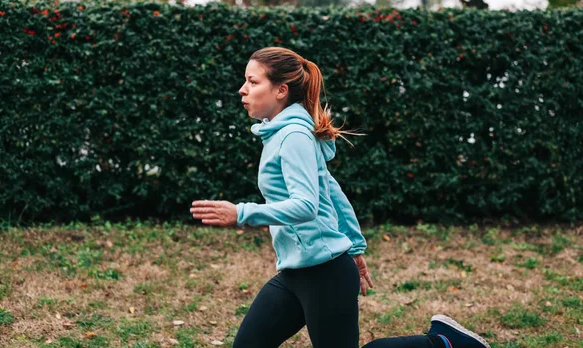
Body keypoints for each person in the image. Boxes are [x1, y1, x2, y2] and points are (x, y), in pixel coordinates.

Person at [190, 47, 490, 348]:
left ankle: (442, 343)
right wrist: (356, 248)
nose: (243, 89)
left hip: (324, 274)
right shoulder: (282, 133)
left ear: (281, 90)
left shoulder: (294, 136)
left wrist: (242, 213)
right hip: (297, 272)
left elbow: (306, 204)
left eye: (253, 82)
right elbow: (332, 191)